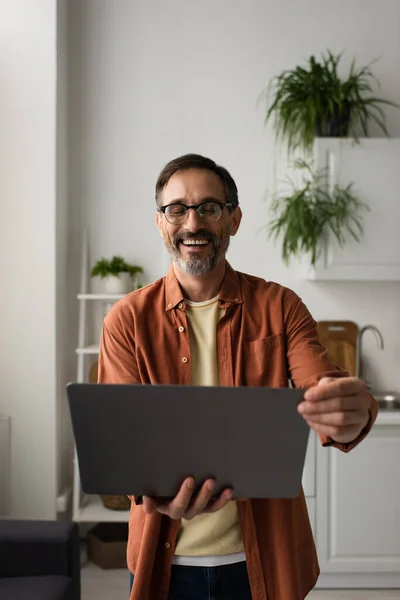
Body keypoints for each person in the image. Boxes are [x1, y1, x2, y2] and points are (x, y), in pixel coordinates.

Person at [98, 153, 377, 600]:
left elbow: (320, 384)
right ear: (160, 222)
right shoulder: (126, 320)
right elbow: (120, 443)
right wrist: (146, 485)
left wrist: (350, 409)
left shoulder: (280, 306)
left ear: (234, 219)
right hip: (163, 562)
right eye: (177, 209)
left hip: (263, 560)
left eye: (210, 207)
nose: (194, 222)